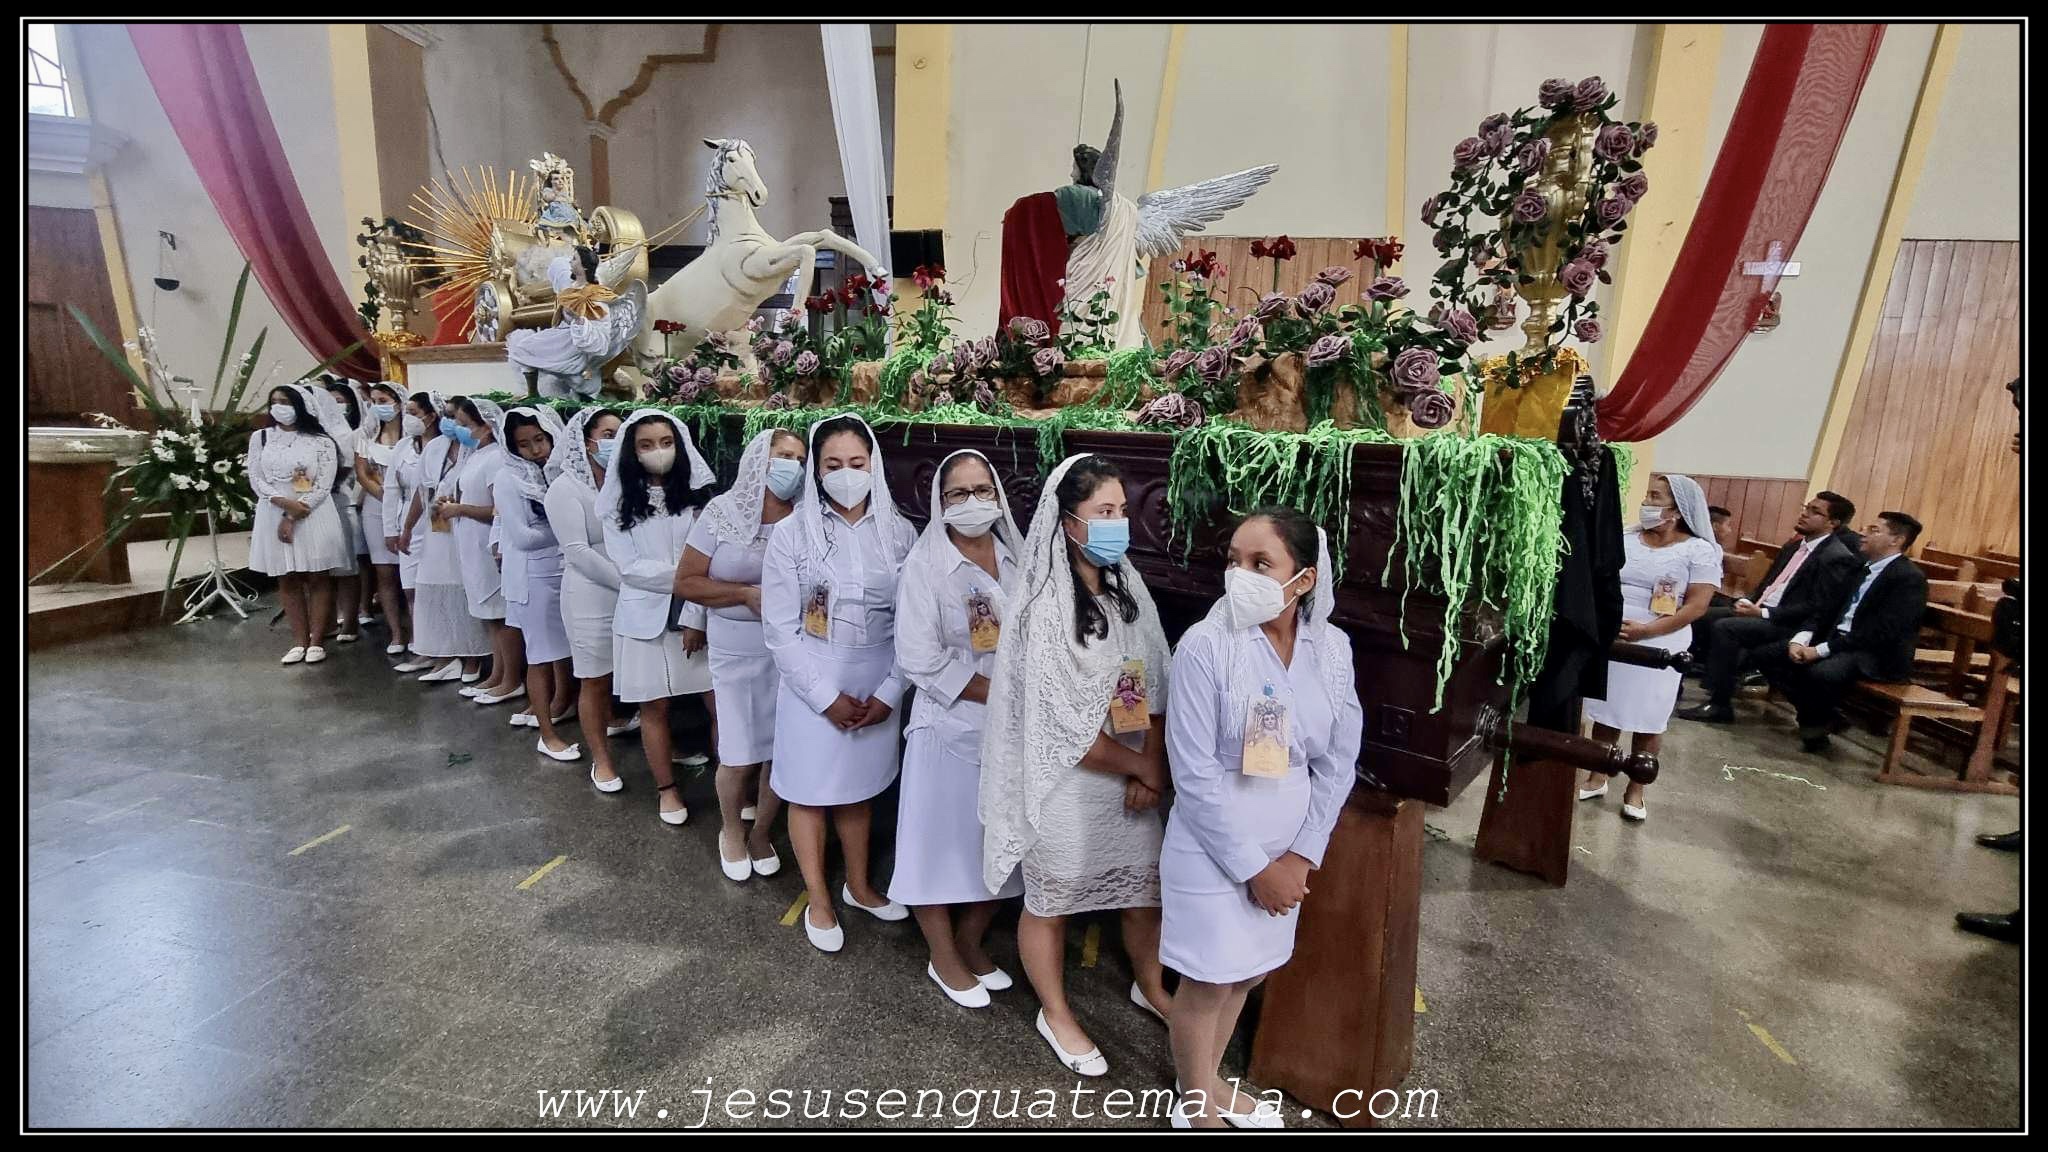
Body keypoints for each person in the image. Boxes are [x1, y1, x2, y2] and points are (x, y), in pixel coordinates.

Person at [1162, 508, 1360, 1129]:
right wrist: (1255, 868)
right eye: (1233, 560)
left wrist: (1301, 855)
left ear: (1304, 579)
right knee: (1208, 981)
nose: (1239, 575)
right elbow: (1193, 774)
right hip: (1213, 844)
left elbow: (1339, 761)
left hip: (1289, 846)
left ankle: (1210, 1081)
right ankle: (1195, 1107)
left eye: (1260, 563)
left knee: (1247, 974)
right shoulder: (1205, 645)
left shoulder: (1331, 650)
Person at [980, 454, 1173, 1078]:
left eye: (1121, 511)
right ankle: (1055, 1011)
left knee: (1143, 890)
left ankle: (1150, 984)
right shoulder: (1042, 608)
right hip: (1063, 784)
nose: (1118, 524)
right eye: (1103, 512)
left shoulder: (1125, 587)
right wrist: (1142, 769)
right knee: (1053, 902)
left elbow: (1141, 679)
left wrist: (1146, 759)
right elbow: (1062, 731)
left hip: (1127, 769)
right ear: (1068, 523)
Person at [761, 414, 917, 952]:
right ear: (816, 470)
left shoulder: (899, 532)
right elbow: (779, 630)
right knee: (810, 793)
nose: (846, 474)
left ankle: (859, 885)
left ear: (873, 465)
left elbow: (913, 624)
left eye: (856, 462)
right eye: (833, 464)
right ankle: (819, 899)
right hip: (812, 677)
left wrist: (890, 692)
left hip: (879, 678)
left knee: (859, 790)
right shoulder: (791, 533)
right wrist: (825, 699)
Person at [890, 449, 1029, 1007]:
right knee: (936, 848)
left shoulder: (1017, 557)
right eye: (959, 493)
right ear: (940, 502)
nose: (973, 502)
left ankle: (971, 940)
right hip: (947, 729)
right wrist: (998, 693)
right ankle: (942, 954)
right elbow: (918, 658)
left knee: (996, 844)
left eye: (982, 490)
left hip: (1011, 730)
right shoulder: (926, 567)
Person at [676, 428, 805, 880]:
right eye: (783, 456)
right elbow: (687, 580)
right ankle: (731, 829)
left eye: (799, 458)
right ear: (758, 461)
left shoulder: (805, 514)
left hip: (791, 648)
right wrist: (743, 595)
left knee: (780, 749)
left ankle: (762, 832)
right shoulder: (722, 512)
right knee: (738, 750)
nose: (792, 466)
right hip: (735, 648)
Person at [1578, 474, 1722, 822]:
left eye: (1655, 497)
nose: (1646, 502)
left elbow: (1696, 605)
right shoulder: (1627, 538)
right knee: (1606, 711)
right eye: (1647, 495)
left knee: (1649, 718)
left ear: (1677, 510)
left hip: (1661, 643)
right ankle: (1598, 775)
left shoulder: (1699, 550)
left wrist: (1647, 630)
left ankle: (1636, 788)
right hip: (1614, 638)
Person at [598, 409, 718, 824]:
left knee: (719, 703)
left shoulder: (699, 498)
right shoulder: (617, 504)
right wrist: (688, 577)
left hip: (698, 614)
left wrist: (696, 609)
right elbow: (629, 568)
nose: (658, 452)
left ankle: (733, 784)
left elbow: (713, 560)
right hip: (642, 619)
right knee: (655, 708)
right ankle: (667, 790)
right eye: (646, 445)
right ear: (632, 452)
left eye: (666, 443)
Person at [1758, 512, 1929, 755]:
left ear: (1896, 540)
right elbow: (1826, 609)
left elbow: (1880, 632)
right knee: (1769, 655)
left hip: (1874, 654)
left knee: (1821, 673)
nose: (1863, 534)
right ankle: (1825, 717)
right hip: (1840, 641)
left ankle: (1815, 734)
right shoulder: (1859, 567)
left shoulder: (1908, 578)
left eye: (1874, 530)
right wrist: (1801, 638)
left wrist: (1820, 650)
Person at [1680, 493, 1859, 723]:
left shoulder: (1835, 556)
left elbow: (1818, 607)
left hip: (1790, 625)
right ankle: (1677, 681)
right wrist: (1750, 602)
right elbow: (1769, 584)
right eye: (1807, 507)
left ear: (1833, 523)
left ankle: (1719, 704)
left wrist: (1763, 612)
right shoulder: (1794, 547)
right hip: (1763, 611)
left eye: (1815, 512)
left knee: (1727, 628)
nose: (1805, 514)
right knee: (1699, 614)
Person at [545, 407, 638, 793]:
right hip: (591, 595)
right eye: (608, 434)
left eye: (621, 433)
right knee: (595, 679)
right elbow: (577, 551)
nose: (616, 441)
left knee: (642, 675)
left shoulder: (628, 481)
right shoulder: (565, 489)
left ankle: (660, 747)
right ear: (587, 442)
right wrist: (628, 581)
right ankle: (602, 760)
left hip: (635, 591)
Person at [495, 406, 580, 761]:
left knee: (571, 651)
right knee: (541, 656)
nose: (535, 450)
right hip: (533, 577)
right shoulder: (508, 479)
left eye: (540, 439)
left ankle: (568, 704)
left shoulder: (562, 472)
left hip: (566, 570)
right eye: (524, 444)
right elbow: (523, 537)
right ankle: (547, 734)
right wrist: (570, 532)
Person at [247, 383, 351, 664]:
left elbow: (324, 483)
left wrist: (294, 512)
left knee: (318, 575)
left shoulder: (321, 441)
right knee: (287, 576)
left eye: (286, 402)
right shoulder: (262, 438)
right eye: (274, 401)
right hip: (274, 508)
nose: (279, 407)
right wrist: (281, 501)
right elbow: (256, 477)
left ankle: (317, 640)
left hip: (311, 511)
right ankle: (299, 641)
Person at [436, 397, 521, 705]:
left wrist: (460, 509)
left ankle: (512, 679)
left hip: (488, 545)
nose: (458, 429)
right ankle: (497, 674)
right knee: (488, 616)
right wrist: (451, 504)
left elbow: (498, 510)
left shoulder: (496, 458)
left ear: (486, 425)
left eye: (464, 424)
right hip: (470, 544)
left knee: (501, 615)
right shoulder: (475, 454)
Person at [401, 396, 490, 684]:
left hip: (466, 528)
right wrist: (407, 527)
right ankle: (444, 655)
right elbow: (421, 491)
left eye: (457, 418)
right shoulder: (435, 447)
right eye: (448, 416)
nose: (452, 423)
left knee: (465, 589)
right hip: (437, 529)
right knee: (434, 588)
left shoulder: (477, 448)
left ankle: (473, 657)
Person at [357, 382, 412, 656]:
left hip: (408, 507)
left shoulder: (410, 437)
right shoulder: (366, 437)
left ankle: (417, 630)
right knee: (385, 571)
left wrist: (397, 498)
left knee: (410, 574)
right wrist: (385, 495)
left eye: (383, 400)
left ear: (398, 403)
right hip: (376, 507)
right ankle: (396, 633)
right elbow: (362, 473)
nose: (378, 405)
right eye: (374, 401)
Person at [319, 376, 371, 642]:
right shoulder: (315, 434)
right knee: (321, 567)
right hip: (318, 505)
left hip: (346, 500)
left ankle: (352, 619)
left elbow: (360, 470)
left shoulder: (354, 434)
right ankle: (326, 620)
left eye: (340, 401)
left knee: (348, 565)